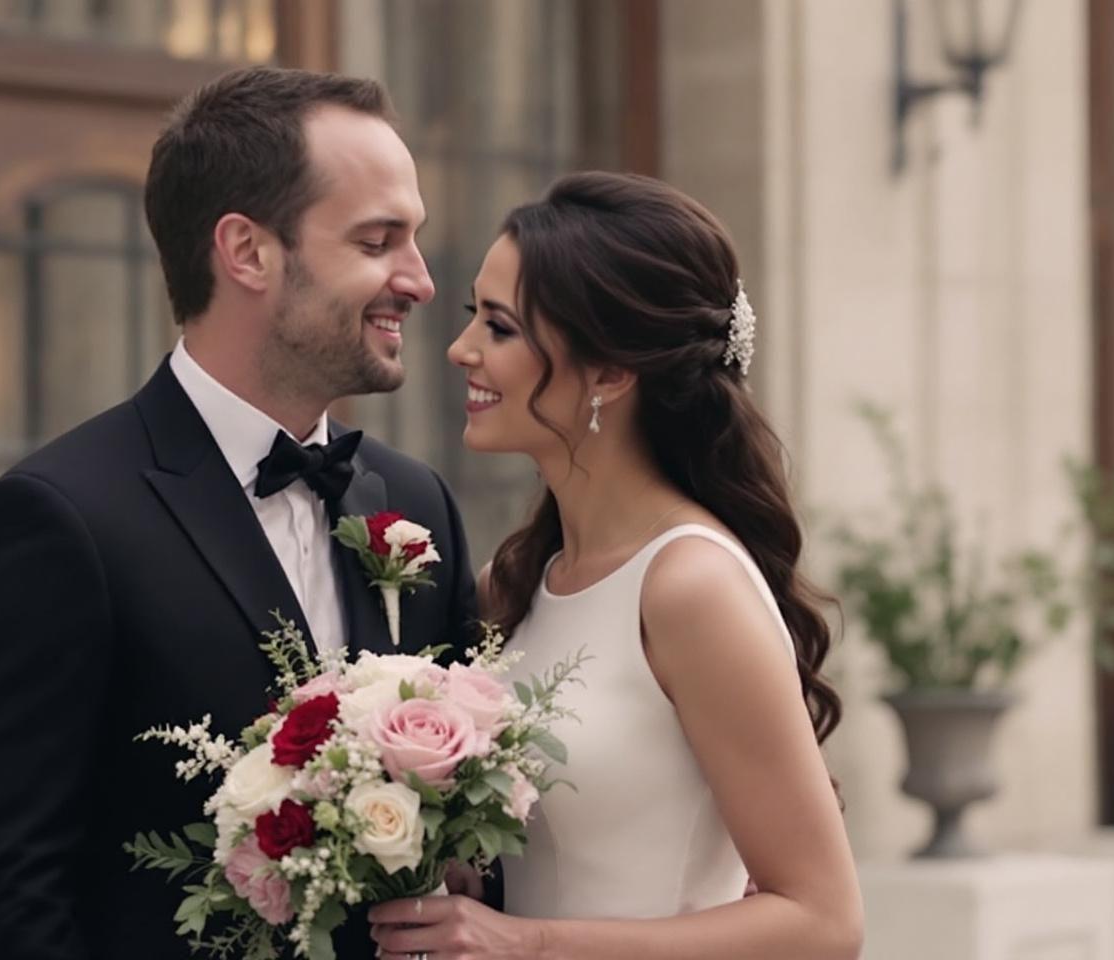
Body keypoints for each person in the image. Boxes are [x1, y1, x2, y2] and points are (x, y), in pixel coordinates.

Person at [0, 66, 478, 960]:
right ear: (247, 252)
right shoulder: (57, 523)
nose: (417, 280)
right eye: (379, 241)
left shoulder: (417, 505)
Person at [369, 172, 863, 959]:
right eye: (475, 318)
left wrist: (526, 943)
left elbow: (823, 922)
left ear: (609, 372)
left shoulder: (690, 587)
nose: (461, 349)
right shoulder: (517, 580)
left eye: (499, 327)